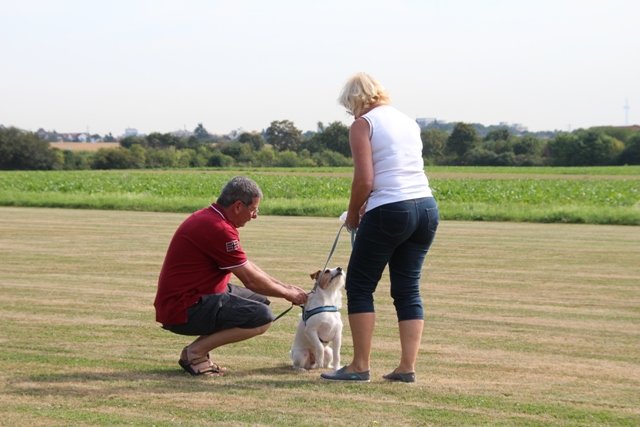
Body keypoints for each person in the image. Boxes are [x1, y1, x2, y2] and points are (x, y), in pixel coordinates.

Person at [321, 72, 439, 383]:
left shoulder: (363, 124)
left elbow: (365, 179)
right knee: (407, 289)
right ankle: (406, 367)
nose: (351, 112)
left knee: (360, 287)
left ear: (356, 101)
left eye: (349, 106)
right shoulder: (407, 121)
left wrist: (353, 214)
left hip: (390, 208)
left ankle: (359, 366)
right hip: (426, 208)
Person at [154, 176, 308, 376]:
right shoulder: (219, 228)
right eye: (253, 209)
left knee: (259, 302)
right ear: (237, 206)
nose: (255, 216)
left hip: (190, 297)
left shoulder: (212, 218)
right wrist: (290, 295)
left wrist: (285, 287)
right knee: (261, 317)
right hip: (183, 307)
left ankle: (195, 351)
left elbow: (247, 265)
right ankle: (196, 353)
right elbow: (251, 280)